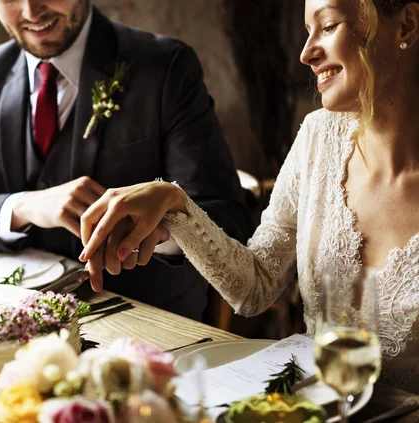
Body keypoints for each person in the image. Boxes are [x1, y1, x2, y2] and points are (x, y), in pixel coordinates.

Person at [79, 0, 419, 393]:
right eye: (307, 31)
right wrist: (173, 203)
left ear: (406, 26)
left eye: (327, 27)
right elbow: (254, 287)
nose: (306, 53)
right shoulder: (317, 138)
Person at [0, 0, 253, 321]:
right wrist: (25, 206)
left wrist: (162, 228)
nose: (30, 11)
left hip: (148, 325)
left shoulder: (166, 67)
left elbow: (230, 221)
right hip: (20, 330)